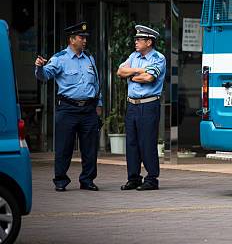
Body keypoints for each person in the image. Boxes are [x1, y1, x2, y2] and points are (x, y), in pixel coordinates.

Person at [34, 22, 102, 192]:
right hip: (68, 109)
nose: (84, 41)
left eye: (85, 38)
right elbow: (45, 76)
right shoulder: (59, 58)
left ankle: (87, 180)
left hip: (88, 110)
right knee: (64, 148)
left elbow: (96, 84)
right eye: (81, 37)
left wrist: (98, 105)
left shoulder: (89, 58)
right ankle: (61, 180)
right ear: (72, 40)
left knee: (90, 149)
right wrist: (39, 67)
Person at [116, 25, 166, 191]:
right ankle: (134, 178)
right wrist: (137, 70)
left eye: (139, 39)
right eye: (136, 39)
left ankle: (151, 179)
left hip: (148, 105)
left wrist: (133, 75)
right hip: (132, 105)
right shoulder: (134, 56)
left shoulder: (158, 58)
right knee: (132, 143)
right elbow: (120, 72)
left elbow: (148, 78)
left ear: (149, 42)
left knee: (147, 143)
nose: (136, 42)